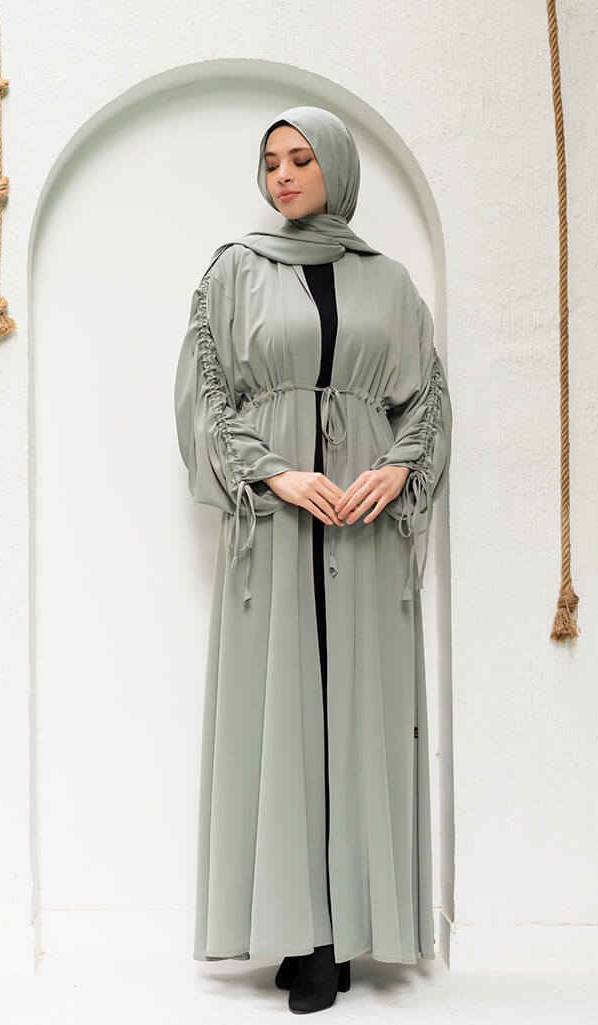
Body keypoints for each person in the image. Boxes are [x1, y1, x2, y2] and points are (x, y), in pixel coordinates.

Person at [173, 105, 452, 1014]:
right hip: (276, 524)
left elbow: (426, 400)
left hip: (364, 528)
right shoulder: (233, 272)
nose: (283, 175)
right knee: (282, 713)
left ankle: (338, 932)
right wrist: (276, 473)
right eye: (270, 162)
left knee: (360, 709)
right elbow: (205, 396)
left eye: (300, 158)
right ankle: (301, 931)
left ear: (335, 165)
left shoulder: (389, 283)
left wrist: (395, 467)